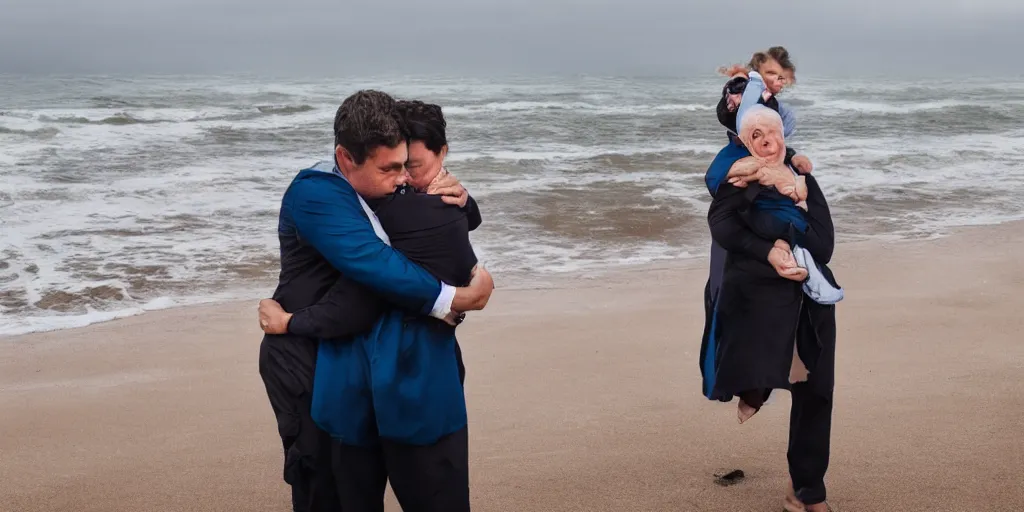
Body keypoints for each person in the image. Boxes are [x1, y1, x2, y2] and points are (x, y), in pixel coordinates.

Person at [257, 91, 493, 512]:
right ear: (346, 159)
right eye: (392, 168)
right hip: (304, 359)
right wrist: (456, 299)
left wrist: (463, 200)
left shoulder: (387, 193)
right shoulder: (317, 194)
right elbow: (375, 264)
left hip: (350, 355)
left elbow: (443, 227)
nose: (403, 178)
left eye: (408, 165)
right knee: (322, 490)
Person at [700, 90, 841, 511]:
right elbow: (722, 227)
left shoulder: (803, 184)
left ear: (783, 136)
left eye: (772, 132)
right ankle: (753, 391)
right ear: (744, 141)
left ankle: (806, 491)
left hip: (810, 298)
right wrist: (769, 251)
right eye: (755, 133)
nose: (766, 140)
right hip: (757, 299)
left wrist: (787, 240)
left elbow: (824, 243)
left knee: (816, 392)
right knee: (751, 370)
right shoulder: (738, 180)